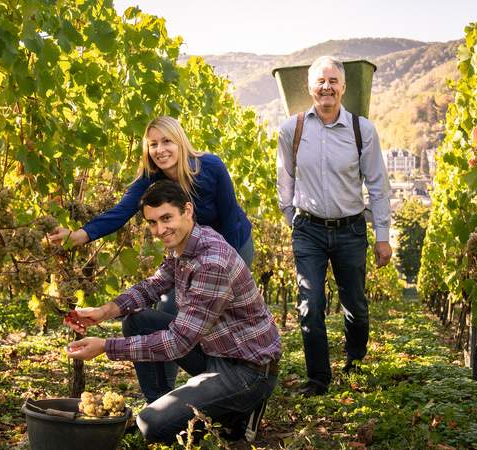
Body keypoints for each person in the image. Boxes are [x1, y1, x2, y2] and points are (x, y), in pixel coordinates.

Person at [48, 116, 254, 403]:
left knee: (218, 317)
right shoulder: (150, 178)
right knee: (170, 317)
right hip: (186, 250)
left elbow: (230, 219)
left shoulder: (211, 167)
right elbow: (120, 213)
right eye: (153, 144)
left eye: (166, 141)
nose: (160, 149)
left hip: (231, 247)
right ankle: (162, 399)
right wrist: (79, 236)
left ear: (180, 141)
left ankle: (235, 383)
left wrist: (228, 268)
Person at [64, 179, 280, 443]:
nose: (160, 229)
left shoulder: (211, 262)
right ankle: (164, 405)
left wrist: (106, 347)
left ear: (187, 210)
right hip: (216, 349)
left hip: (247, 370)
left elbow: (178, 343)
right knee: (138, 321)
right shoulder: (185, 245)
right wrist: (105, 311)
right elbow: (155, 285)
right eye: (152, 222)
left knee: (150, 426)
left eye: (166, 218)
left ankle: (241, 409)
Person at [276, 55, 392, 397]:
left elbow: (377, 185)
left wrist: (382, 237)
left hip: (351, 229)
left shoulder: (362, 129)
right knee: (310, 305)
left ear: (343, 87)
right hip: (308, 230)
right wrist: (293, 221)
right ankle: (318, 379)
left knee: (355, 305)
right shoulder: (292, 129)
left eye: (333, 81)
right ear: (310, 87)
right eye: (320, 81)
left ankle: (355, 361)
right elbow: (286, 182)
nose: (326, 87)